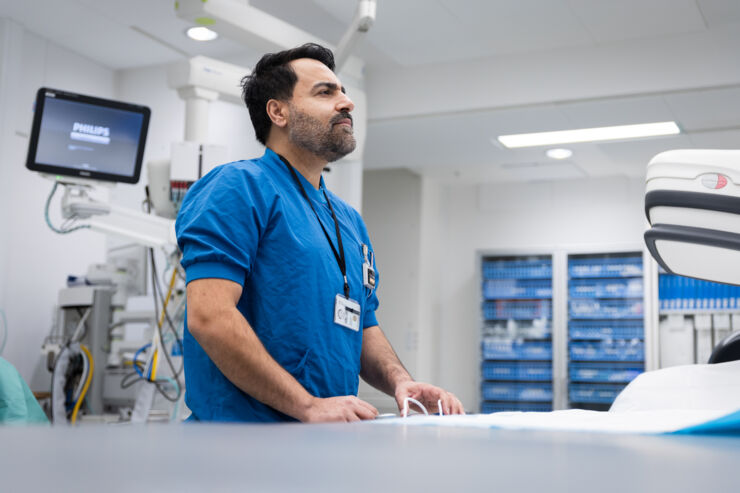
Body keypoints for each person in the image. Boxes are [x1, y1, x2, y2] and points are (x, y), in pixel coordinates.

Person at [176, 43, 464, 422]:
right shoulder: (237, 188)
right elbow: (209, 316)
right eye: (325, 92)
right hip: (241, 446)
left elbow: (362, 323)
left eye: (343, 91)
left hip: (326, 440)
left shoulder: (348, 219)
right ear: (278, 111)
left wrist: (400, 382)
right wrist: (306, 405)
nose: (347, 103)